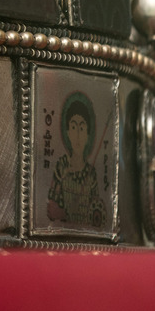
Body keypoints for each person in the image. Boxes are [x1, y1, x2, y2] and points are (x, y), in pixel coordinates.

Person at [47, 91, 106, 227]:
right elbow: (51, 210)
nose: (78, 134)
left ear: (88, 134)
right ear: (67, 132)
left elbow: (96, 212)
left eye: (82, 128)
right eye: (73, 127)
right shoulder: (62, 167)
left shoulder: (91, 174)